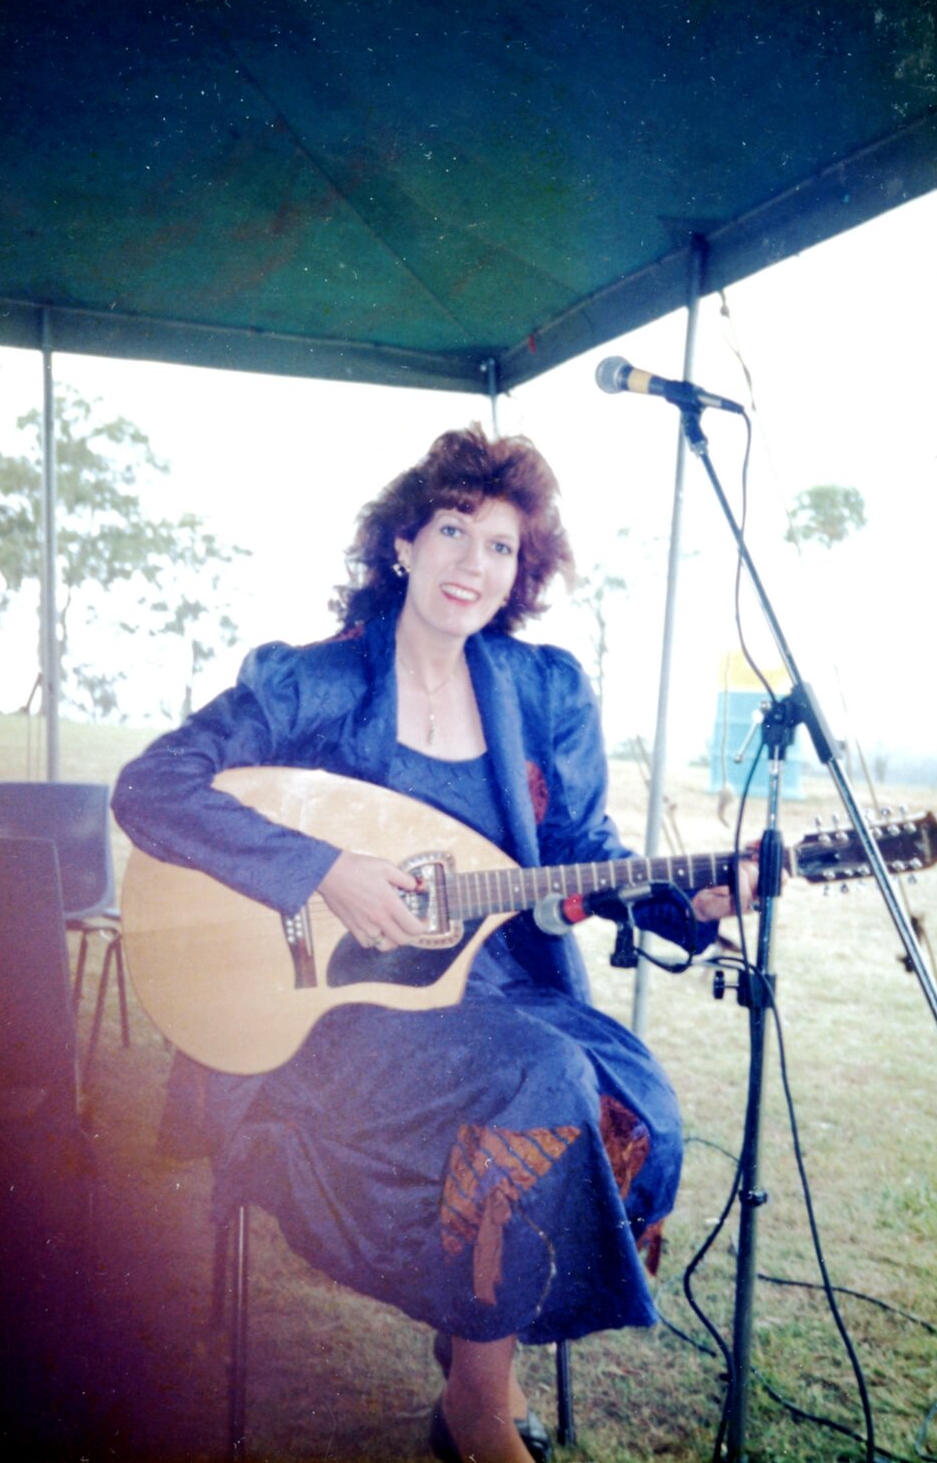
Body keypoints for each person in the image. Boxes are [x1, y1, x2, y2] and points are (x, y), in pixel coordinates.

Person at [113, 424, 752, 1463]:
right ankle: (478, 1413)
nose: (473, 563)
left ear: (520, 572)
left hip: (501, 991)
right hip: (335, 1020)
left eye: (501, 546)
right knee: (537, 1079)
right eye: (454, 529)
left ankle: (471, 1353)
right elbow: (151, 787)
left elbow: (586, 860)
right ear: (402, 541)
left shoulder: (541, 692)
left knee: (637, 1108)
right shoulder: (311, 683)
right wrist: (324, 871)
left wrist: (700, 901)